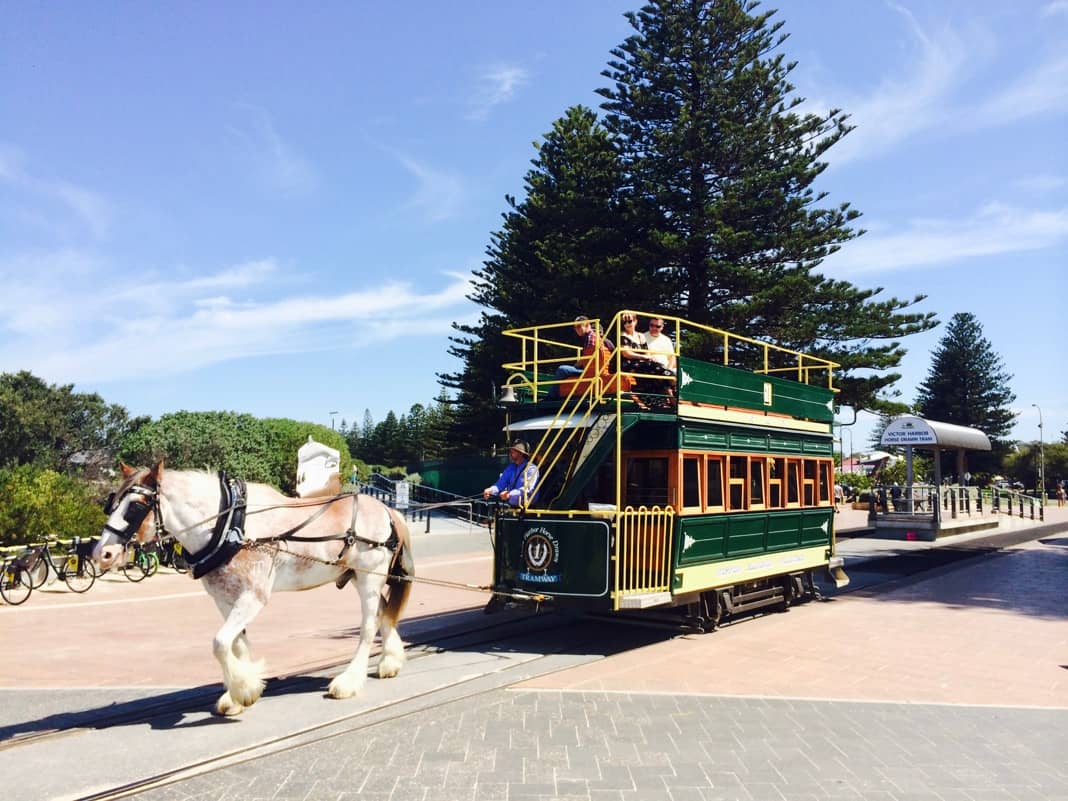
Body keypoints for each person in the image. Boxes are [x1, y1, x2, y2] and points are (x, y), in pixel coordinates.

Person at [550, 316, 616, 399]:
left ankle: (551, 397)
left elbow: (588, 357)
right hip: (595, 370)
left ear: (587, 325)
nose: (577, 329)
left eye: (579, 326)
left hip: (591, 372)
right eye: (575, 327)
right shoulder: (601, 340)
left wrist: (575, 366)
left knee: (562, 369)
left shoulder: (591, 337)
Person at [618, 312, 674, 408]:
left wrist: (648, 358)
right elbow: (626, 354)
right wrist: (645, 358)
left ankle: (661, 400)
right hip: (630, 363)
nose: (627, 324)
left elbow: (646, 352)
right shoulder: (623, 335)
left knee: (654, 369)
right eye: (624, 322)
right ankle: (669, 393)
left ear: (635, 322)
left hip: (643, 363)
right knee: (654, 370)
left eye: (630, 321)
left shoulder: (640, 336)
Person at [483, 440, 540, 507]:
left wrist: (509, 494)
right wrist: (490, 490)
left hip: (529, 510)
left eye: (513, 451)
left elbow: (528, 489)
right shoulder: (510, 468)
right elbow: (500, 484)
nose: (510, 453)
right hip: (512, 509)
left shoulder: (532, 469)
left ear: (521, 454)